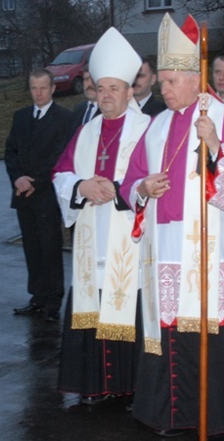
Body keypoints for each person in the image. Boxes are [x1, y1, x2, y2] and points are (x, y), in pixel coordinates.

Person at [120, 13, 224, 438]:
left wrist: (218, 148)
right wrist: (144, 186)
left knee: (211, 335)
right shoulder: (156, 125)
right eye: (161, 81)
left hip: (209, 252)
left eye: (169, 81)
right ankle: (171, 413)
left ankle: (218, 417)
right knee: (171, 337)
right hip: (165, 249)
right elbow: (132, 180)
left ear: (192, 78)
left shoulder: (222, 119)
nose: (162, 90)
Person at [52, 27, 150, 406]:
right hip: (93, 239)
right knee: (94, 300)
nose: (107, 96)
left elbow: (158, 176)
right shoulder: (87, 131)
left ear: (130, 90)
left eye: (115, 88)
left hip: (131, 236)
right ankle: (97, 384)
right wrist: (81, 188)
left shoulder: (148, 129)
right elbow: (61, 172)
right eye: (101, 88)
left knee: (129, 302)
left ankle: (133, 387)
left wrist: (121, 187)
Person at [5, 69, 71, 322]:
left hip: (46, 195)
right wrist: (17, 178)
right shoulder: (21, 117)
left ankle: (53, 302)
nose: (39, 93)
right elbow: (10, 152)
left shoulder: (63, 118)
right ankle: (37, 297)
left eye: (43, 87)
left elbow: (60, 157)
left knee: (50, 248)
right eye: (34, 88)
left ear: (53, 88)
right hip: (23, 194)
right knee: (31, 249)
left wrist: (36, 182)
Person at [68, 67, 100, 138]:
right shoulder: (78, 108)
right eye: (86, 79)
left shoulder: (108, 112)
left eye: (93, 79)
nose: (89, 84)